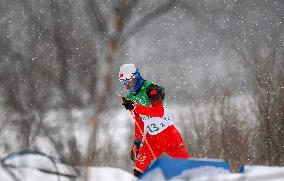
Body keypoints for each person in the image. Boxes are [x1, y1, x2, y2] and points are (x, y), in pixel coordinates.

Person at [119, 63, 190, 177]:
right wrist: (137, 143)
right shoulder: (131, 98)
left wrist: (135, 107)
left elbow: (159, 112)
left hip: (169, 135)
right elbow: (139, 121)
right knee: (138, 172)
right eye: (123, 83)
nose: (126, 86)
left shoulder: (151, 89)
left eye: (127, 82)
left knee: (187, 169)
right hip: (152, 139)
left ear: (135, 77)